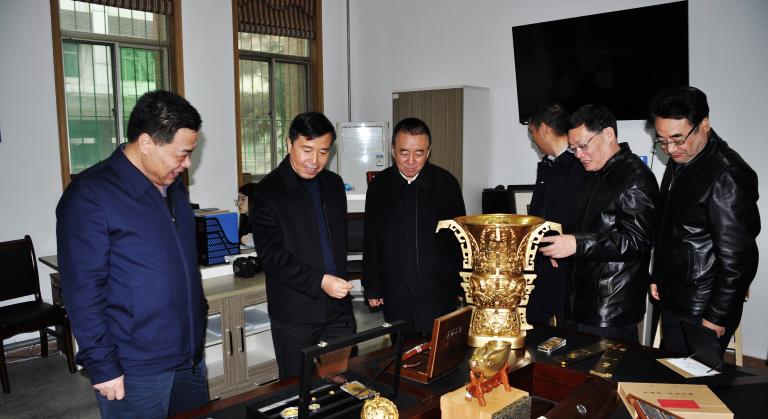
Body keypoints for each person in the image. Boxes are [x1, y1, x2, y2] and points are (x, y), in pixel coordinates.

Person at [56, 90, 208, 418]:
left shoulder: (174, 187)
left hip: (189, 355)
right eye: (182, 154)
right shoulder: (90, 195)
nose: (187, 164)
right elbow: (83, 290)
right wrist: (103, 364)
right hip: (136, 365)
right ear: (147, 143)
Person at [649, 86, 759, 355]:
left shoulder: (726, 174)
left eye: (677, 139)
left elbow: (738, 259)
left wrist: (717, 315)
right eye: (662, 140)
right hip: (677, 295)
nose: (670, 149)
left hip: (702, 305)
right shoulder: (682, 159)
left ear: (704, 125)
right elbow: (670, 227)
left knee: (694, 377)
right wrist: (659, 276)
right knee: (671, 371)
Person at [249, 111, 355, 379]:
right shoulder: (267, 192)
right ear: (289, 144)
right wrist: (321, 281)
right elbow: (272, 257)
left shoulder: (333, 184)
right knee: (299, 387)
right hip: (295, 313)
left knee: (341, 383)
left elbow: (336, 244)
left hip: (338, 310)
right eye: (307, 150)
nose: (314, 161)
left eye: (323, 152)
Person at [539, 104, 658, 342]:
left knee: (605, 366)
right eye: (573, 149)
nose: (578, 155)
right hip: (580, 299)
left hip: (610, 306)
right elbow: (591, 226)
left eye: (583, 146)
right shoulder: (594, 172)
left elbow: (636, 240)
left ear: (609, 134)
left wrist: (576, 244)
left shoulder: (636, 177)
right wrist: (562, 244)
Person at [363, 117, 466, 336]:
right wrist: (372, 285)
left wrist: (462, 283)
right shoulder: (380, 186)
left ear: (428, 152)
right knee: (402, 349)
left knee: (440, 349)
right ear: (392, 150)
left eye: (419, 153)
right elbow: (372, 238)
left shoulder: (446, 184)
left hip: (438, 289)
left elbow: (459, 239)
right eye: (404, 153)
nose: (411, 161)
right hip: (395, 289)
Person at [525, 103, 585, 325]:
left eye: (532, 132)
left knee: (566, 328)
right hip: (540, 262)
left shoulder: (578, 165)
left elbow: (577, 215)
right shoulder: (547, 165)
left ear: (543, 129)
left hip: (566, 263)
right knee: (534, 325)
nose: (533, 140)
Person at [236, 182, 257, 247]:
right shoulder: (245, 220)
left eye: (243, 199)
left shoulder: (262, 220)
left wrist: (245, 239)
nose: (239, 203)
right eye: (238, 199)